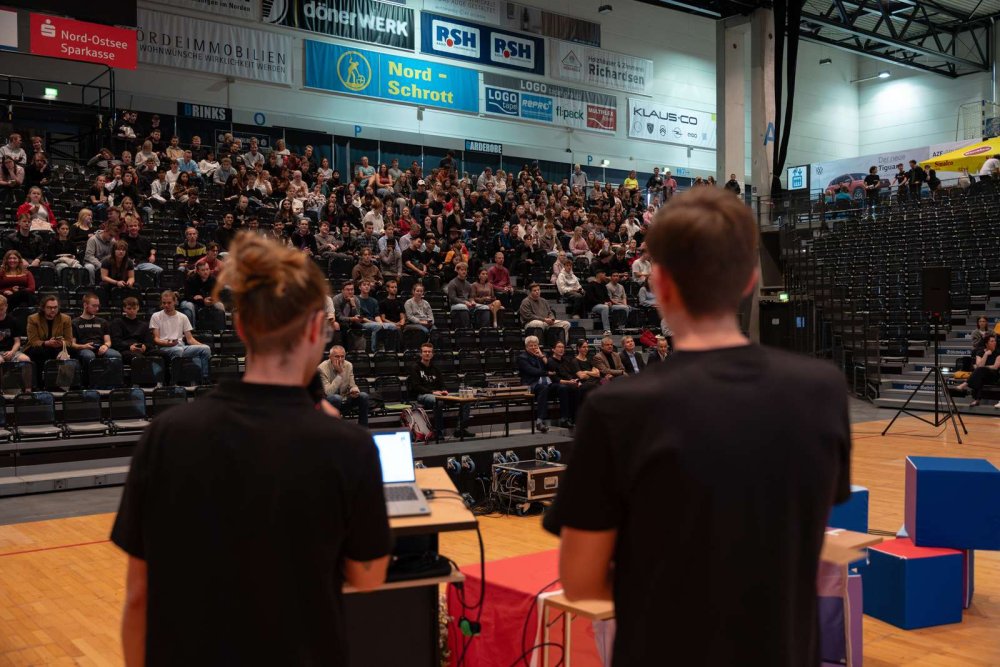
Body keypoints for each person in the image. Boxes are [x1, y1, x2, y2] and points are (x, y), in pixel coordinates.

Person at [543, 186, 851, 667]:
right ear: (750, 279)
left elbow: (582, 581)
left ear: (660, 283)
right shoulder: (823, 391)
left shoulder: (617, 408)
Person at [112, 232, 391, 666]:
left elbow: (137, 600)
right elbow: (368, 576)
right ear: (318, 328)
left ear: (241, 326)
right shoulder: (348, 447)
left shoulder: (166, 435)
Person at [406, 342, 472, 438]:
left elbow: (442, 385)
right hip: (423, 395)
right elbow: (416, 387)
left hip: (438, 395)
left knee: (465, 401)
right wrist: (432, 392)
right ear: (421, 353)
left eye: (429, 352)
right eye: (425, 351)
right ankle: (439, 431)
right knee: (438, 402)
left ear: (432, 354)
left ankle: (460, 429)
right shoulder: (415, 367)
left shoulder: (436, 369)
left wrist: (444, 390)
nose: (427, 353)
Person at [150, 290, 212, 382]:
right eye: (164, 303)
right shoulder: (156, 316)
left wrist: (201, 345)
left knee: (206, 349)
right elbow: (156, 339)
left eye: (169, 303)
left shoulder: (183, 317)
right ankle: (175, 380)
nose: (166, 305)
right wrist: (168, 343)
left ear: (175, 302)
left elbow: (190, 339)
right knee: (177, 350)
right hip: (164, 348)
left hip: (181, 347)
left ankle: (204, 378)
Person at [317, 345, 370, 426]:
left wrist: (354, 390)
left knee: (364, 396)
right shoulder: (322, 368)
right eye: (337, 357)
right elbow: (328, 392)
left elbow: (352, 384)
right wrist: (340, 374)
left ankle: (363, 428)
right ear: (330, 357)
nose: (340, 359)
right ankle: (335, 428)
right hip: (329, 402)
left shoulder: (348, 365)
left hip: (345, 398)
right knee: (336, 398)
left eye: (342, 357)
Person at [26, 295, 75, 383]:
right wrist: (47, 343)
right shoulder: (33, 319)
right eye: (49, 307)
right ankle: (40, 384)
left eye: (55, 307)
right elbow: (33, 341)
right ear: (43, 308)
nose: (53, 310)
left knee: (70, 351)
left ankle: (62, 385)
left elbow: (69, 341)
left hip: (58, 347)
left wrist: (60, 343)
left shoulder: (66, 319)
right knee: (38, 351)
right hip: (40, 347)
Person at [72, 293, 122, 365]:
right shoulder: (75, 323)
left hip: (100, 347)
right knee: (89, 356)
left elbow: (108, 341)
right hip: (84, 348)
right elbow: (72, 344)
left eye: (98, 306)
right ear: (85, 305)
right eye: (94, 306)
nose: (97, 309)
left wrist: (105, 346)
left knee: (115, 355)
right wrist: (84, 346)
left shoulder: (103, 322)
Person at [517, 335, 553, 433]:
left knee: (563, 388)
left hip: (546, 382)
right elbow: (531, 371)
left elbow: (552, 367)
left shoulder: (541, 355)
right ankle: (540, 421)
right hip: (531, 384)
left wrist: (542, 356)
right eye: (531, 346)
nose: (533, 347)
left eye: (535, 345)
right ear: (526, 347)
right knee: (543, 388)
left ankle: (566, 418)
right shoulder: (522, 357)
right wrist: (546, 373)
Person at [956, 334, 999, 408]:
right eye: (992, 341)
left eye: (995, 341)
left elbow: (995, 367)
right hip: (982, 375)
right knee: (980, 375)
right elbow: (979, 366)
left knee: (979, 371)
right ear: (986, 343)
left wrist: (984, 367)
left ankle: (965, 384)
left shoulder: (998, 352)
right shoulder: (980, 352)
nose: (994, 342)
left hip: (993, 376)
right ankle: (977, 400)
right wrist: (985, 354)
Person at [547, 339, 581, 428]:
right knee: (564, 388)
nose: (561, 349)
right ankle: (564, 419)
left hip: (566, 383)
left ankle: (574, 418)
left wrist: (574, 381)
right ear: (553, 350)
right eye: (559, 347)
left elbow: (570, 374)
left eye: (562, 347)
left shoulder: (566, 360)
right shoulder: (550, 361)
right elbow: (555, 379)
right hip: (553, 385)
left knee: (576, 388)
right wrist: (569, 382)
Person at [181, 262, 225, 328]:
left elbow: (218, 294)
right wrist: (202, 300)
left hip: (209, 301)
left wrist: (209, 299)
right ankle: (191, 330)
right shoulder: (191, 280)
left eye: (207, 269)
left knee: (220, 305)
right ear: (198, 271)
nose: (206, 272)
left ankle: (221, 331)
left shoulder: (213, 280)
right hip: (193, 302)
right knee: (189, 306)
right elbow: (187, 296)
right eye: (203, 270)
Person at [357, 279, 396, 352]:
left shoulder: (374, 300)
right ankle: (375, 350)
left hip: (375, 322)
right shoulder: (356, 299)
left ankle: (390, 350)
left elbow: (377, 315)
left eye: (368, 285)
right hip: (363, 323)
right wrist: (375, 323)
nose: (366, 287)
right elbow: (360, 317)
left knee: (392, 326)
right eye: (364, 285)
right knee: (377, 326)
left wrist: (381, 323)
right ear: (359, 287)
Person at [110, 297, 151, 366]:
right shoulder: (117, 322)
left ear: (138, 308)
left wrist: (145, 346)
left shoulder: (143, 324)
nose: (132, 311)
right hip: (125, 350)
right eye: (129, 308)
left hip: (141, 350)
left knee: (162, 354)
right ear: (124, 308)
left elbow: (149, 342)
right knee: (139, 358)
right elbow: (116, 341)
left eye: (134, 308)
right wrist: (129, 346)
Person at [0, 294, 29, 364]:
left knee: (26, 360)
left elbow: (17, 342)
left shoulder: (13, 321)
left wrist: (12, 352)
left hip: (11, 350)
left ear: (6, 306)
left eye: (1, 309)